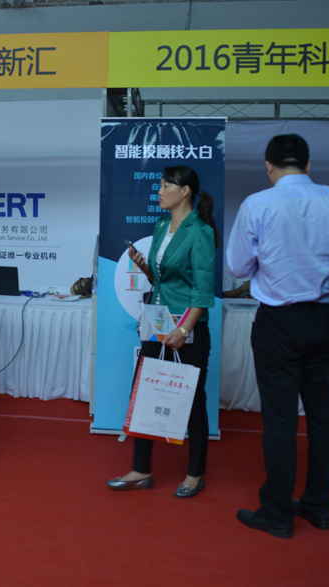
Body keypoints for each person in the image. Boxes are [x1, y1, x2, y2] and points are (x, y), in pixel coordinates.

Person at [226, 134, 329, 539]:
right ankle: (319, 506)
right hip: (327, 320)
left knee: (280, 420)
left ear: (269, 167)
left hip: (279, 321)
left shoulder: (258, 203)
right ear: (308, 166)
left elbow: (238, 267)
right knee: (323, 417)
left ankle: (277, 511)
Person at [106, 165, 218, 498]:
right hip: (157, 322)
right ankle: (141, 470)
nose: (159, 191)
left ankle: (195, 474)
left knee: (192, 400)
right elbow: (162, 280)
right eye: (160, 185)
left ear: (185, 191)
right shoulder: (159, 226)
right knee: (144, 393)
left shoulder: (201, 232)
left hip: (188, 326)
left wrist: (184, 329)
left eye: (166, 186)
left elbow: (202, 292)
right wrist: (144, 267)